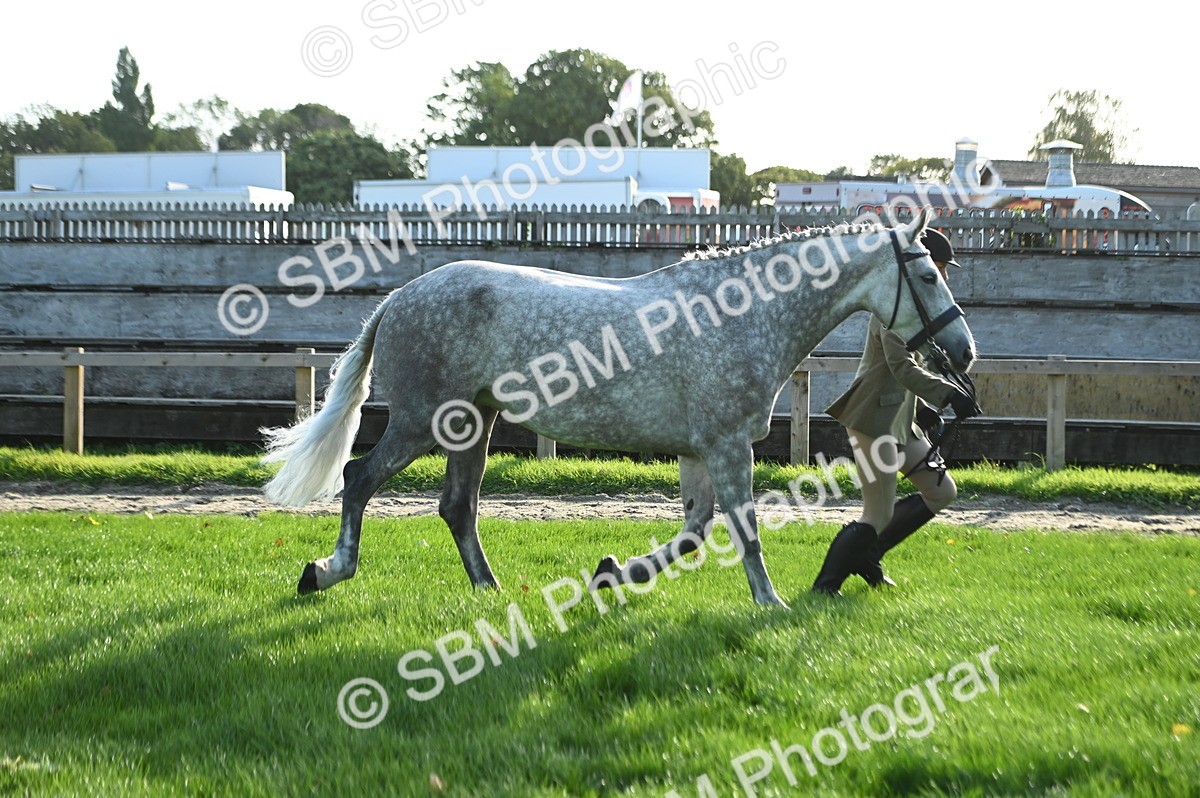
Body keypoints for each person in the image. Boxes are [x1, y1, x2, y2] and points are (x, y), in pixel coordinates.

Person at [811, 228, 979, 596]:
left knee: (941, 492)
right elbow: (902, 367)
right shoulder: (892, 311)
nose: (945, 276)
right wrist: (948, 396)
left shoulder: (916, 310)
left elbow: (903, 374)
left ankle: (868, 557)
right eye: (939, 266)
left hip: (901, 419)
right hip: (873, 418)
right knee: (877, 514)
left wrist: (921, 410)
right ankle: (824, 588)